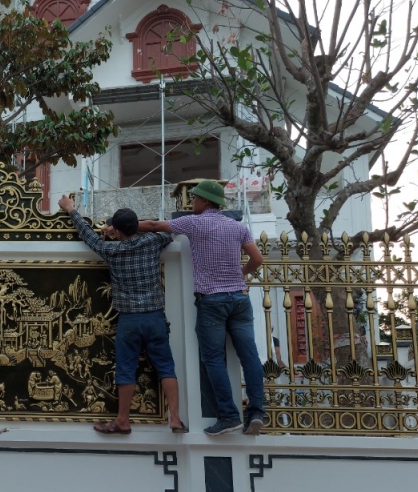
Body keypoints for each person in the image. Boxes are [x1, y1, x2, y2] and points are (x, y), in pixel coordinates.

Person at [137, 179, 265, 436]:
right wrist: (239, 275)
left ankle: (229, 415)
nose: (191, 202)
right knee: (249, 355)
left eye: (195, 198)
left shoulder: (193, 223)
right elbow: (257, 259)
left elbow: (153, 225)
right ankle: (256, 412)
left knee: (213, 358)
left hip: (211, 301)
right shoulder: (237, 227)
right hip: (239, 298)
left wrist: (122, 225)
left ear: (205, 201)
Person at [58, 195, 185, 435]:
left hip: (129, 319)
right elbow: (167, 229)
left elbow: (88, 235)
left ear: (117, 230)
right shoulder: (154, 242)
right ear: (136, 226)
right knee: (166, 367)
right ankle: (176, 418)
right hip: (155, 316)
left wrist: (71, 209)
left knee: (126, 368)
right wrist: (131, 227)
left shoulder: (111, 251)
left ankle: (123, 420)